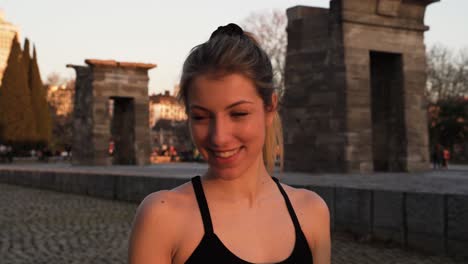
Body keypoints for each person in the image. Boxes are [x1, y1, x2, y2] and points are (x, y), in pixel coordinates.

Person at [129, 23, 331, 264]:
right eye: (201, 117)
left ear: (270, 108)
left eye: (238, 114)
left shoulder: (312, 212)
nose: (219, 137)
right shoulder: (161, 217)